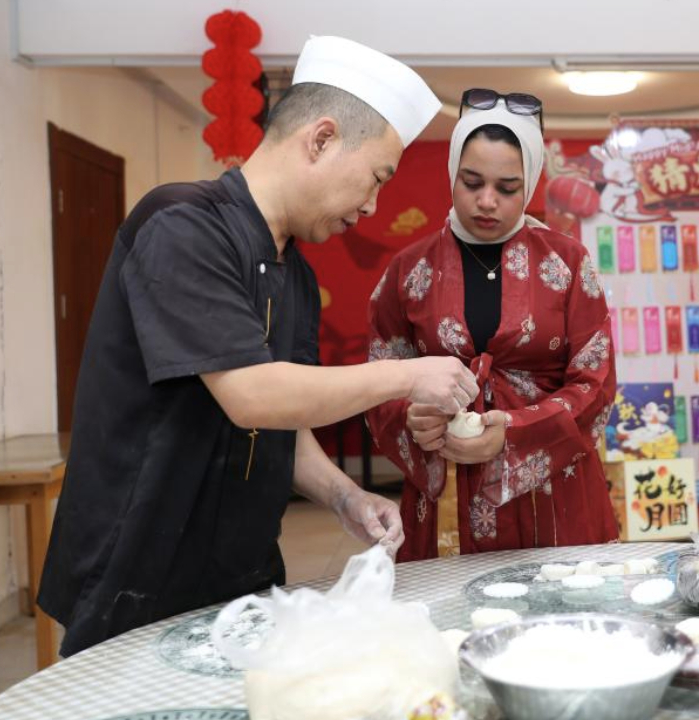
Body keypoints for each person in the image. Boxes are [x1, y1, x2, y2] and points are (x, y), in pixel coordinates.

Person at [39, 36, 480, 656]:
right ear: (321, 139)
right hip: (134, 575)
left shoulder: (294, 270)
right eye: (376, 177)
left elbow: (285, 422)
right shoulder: (181, 226)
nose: (373, 204)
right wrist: (409, 376)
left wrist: (343, 494)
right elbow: (252, 394)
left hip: (241, 573)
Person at [366, 89, 619, 561]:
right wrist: (411, 417)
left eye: (507, 188)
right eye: (471, 182)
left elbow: (596, 380)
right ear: (452, 176)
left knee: (562, 626)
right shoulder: (408, 270)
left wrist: (516, 431)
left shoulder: (568, 263)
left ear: (530, 184)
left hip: (553, 489)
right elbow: (379, 376)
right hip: (447, 489)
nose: (487, 202)